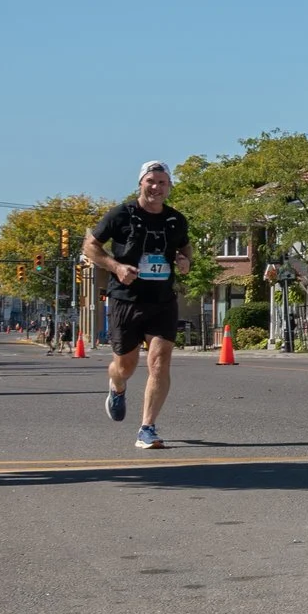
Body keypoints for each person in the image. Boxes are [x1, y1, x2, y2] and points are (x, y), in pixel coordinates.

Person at [85, 162, 192, 448]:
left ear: (169, 187)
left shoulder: (176, 220)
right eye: (150, 181)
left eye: (162, 182)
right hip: (125, 299)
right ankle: (117, 387)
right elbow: (90, 246)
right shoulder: (121, 214)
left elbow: (185, 246)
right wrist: (115, 267)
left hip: (162, 301)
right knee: (125, 366)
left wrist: (185, 261)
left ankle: (147, 428)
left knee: (159, 360)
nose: (156, 187)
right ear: (140, 183)